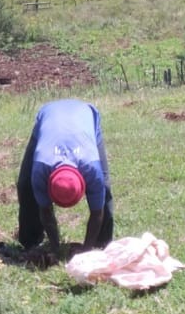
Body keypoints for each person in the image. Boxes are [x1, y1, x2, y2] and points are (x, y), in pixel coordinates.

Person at [16, 98, 114, 256]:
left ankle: (101, 243)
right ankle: (31, 241)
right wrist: (55, 249)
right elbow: (45, 211)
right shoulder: (41, 169)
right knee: (25, 185)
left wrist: (86, 252)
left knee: (104, 187)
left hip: (85, 115)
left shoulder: (91, 169)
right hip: (49, 116)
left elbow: (97, 213)